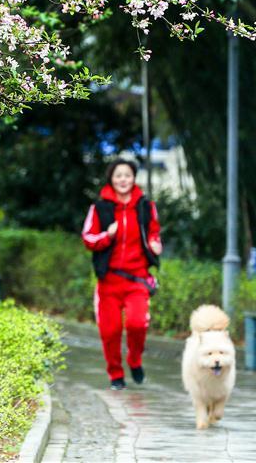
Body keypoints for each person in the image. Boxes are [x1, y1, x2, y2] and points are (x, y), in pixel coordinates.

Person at [81, 158, 162, 390]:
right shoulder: (99, 208)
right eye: (118, 175)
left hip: (137, 278)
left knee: (137, 324)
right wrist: (107, 235)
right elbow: (88, 238)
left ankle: (134, 361)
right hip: (109, 280)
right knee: (111, 331)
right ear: (111, 179)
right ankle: (116, 374)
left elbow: (154, 231)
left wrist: (156, 243)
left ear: (134, 178)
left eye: (127, 175)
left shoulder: (146, 206)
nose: (123, 180)